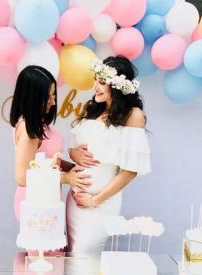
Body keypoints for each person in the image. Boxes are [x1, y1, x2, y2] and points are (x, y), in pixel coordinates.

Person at [66, 56, 151, 254]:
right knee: (73, 258)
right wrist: (74, 153)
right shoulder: (93, 110)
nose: (96, 86)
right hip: (75, 199)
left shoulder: (133, 115)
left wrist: (95, 201)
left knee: (86, 257)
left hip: (99, 203)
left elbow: (130, 170)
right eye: (96, 79)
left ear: (118, 85)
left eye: (102, 82)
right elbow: (76, 148)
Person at [10, 65, 90, 221]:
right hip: (35, 203)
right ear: (32, 97)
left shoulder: (38, 122)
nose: (53, 102)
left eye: (54, 95)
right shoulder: (28, 130)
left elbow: (46, 160)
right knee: (45, 246)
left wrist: (73, 166)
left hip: (48, 198)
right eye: (48, 96)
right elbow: (22, 178)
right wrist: (65, 178)